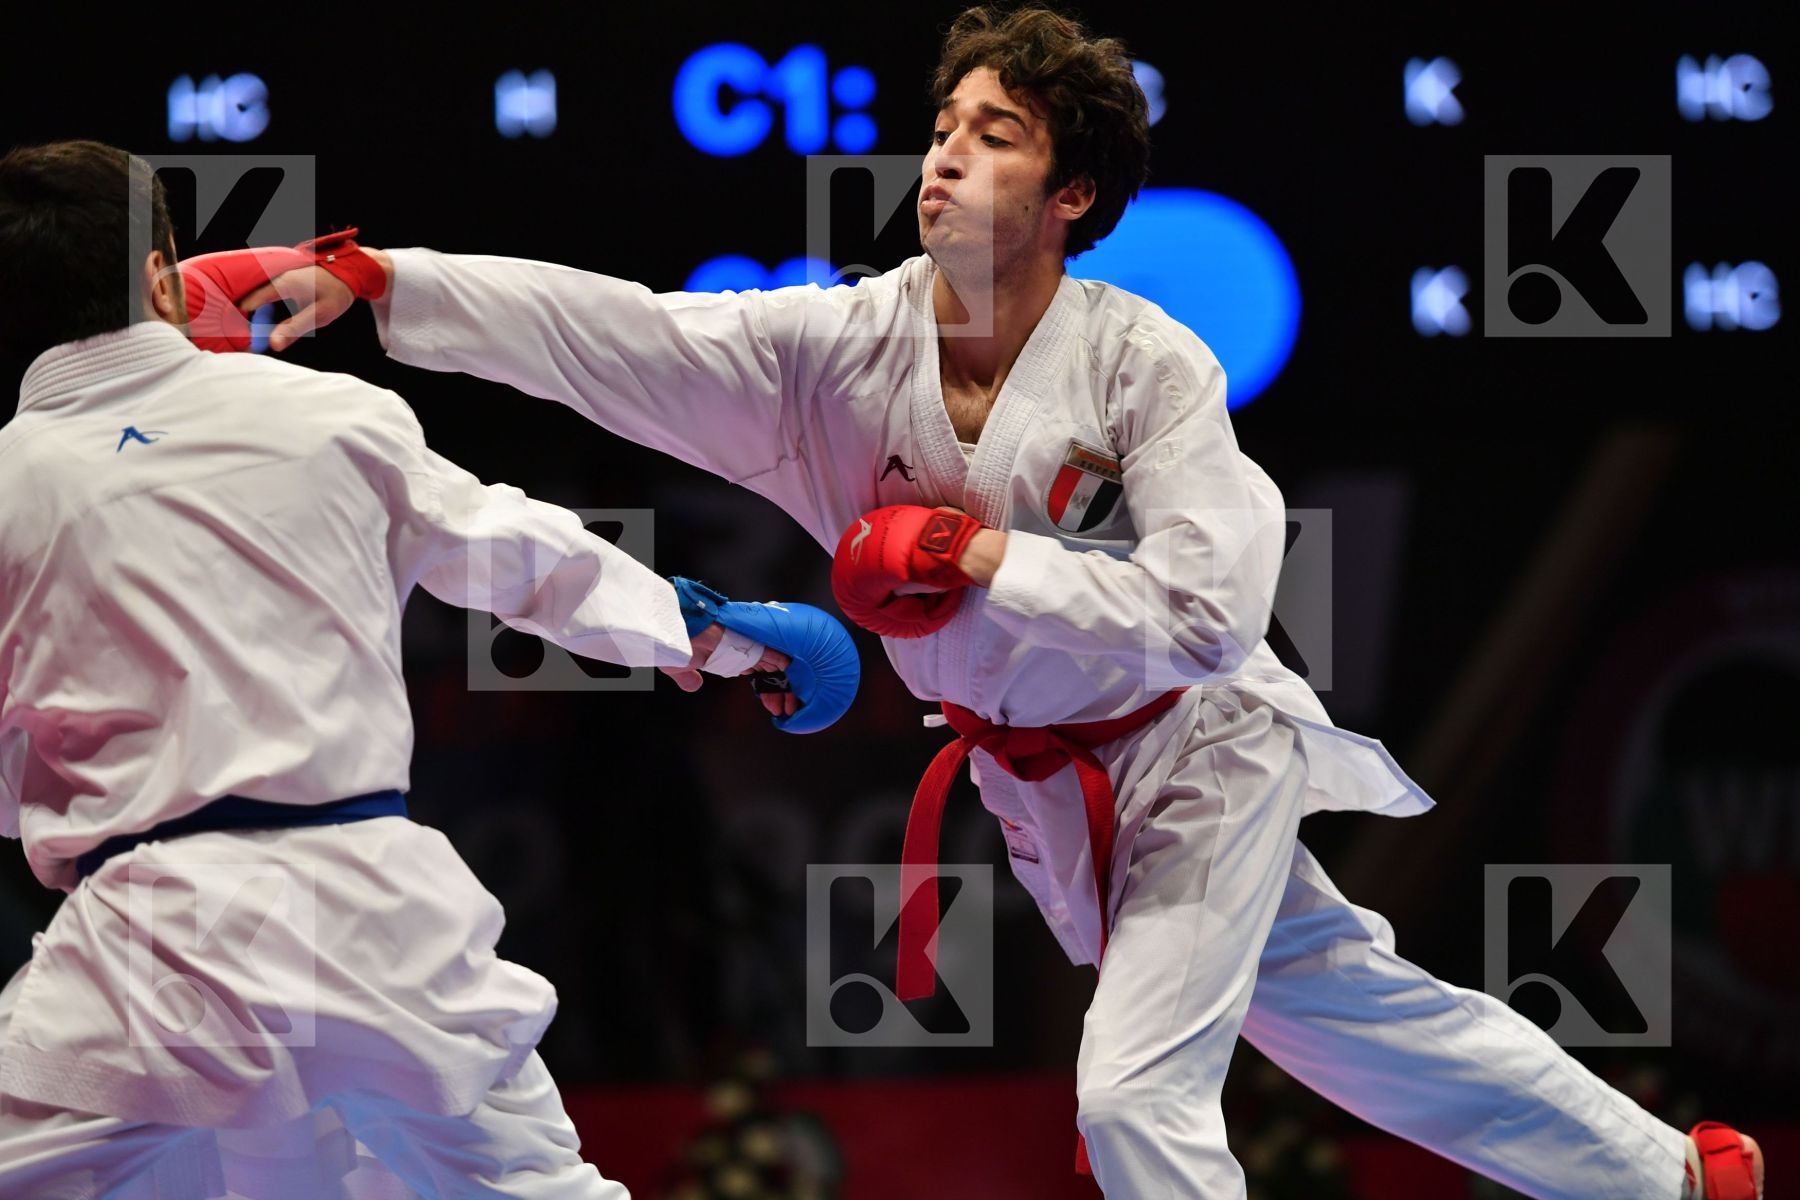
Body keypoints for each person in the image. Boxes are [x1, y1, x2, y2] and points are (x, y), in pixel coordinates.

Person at [228, 8, 1767, 1198]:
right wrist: (386, 286)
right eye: (944, 125)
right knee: (1350, 1006)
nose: (948, 153)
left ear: (1073, 191)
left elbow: (1216, 607)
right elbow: (613, 334)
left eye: (999, 133)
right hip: (1044, 786)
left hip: (1199, 749)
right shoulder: (832, 350)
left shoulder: (1147, 364)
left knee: (1132, 1097)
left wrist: (988, 563)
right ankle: (1667, 1176)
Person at [0, 138, 851, 1198]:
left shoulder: (9, 486)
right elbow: (514, 551)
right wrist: (707, 631)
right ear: (160, 276)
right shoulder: (329, 418)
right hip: (369, 918)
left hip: (140, 946)